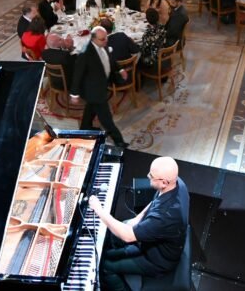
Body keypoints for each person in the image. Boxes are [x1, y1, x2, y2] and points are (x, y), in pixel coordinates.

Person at [90, 156, 189, 291]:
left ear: (164, 182)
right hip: (153, 244)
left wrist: (99, 210)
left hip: (157, 260)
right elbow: (155, 202)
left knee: (106, 267)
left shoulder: (165, 216)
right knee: (112, 244)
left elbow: (128, 236)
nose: (148, 176)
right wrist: (137, 218)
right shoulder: (177, 183)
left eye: (151, 176)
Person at [71, 26, 128, 147]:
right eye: (102, 39)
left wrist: (120, 69)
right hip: (93, 89)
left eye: (106, 38)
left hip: (102, 84)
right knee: (106, 119)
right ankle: (119, 141)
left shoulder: (103, 44)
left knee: (90, 109)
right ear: (93, 39)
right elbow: (77, 74)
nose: (106, 41)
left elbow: (110, 59)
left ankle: (84, 129)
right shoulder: (85, 53)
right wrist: (74, 94)